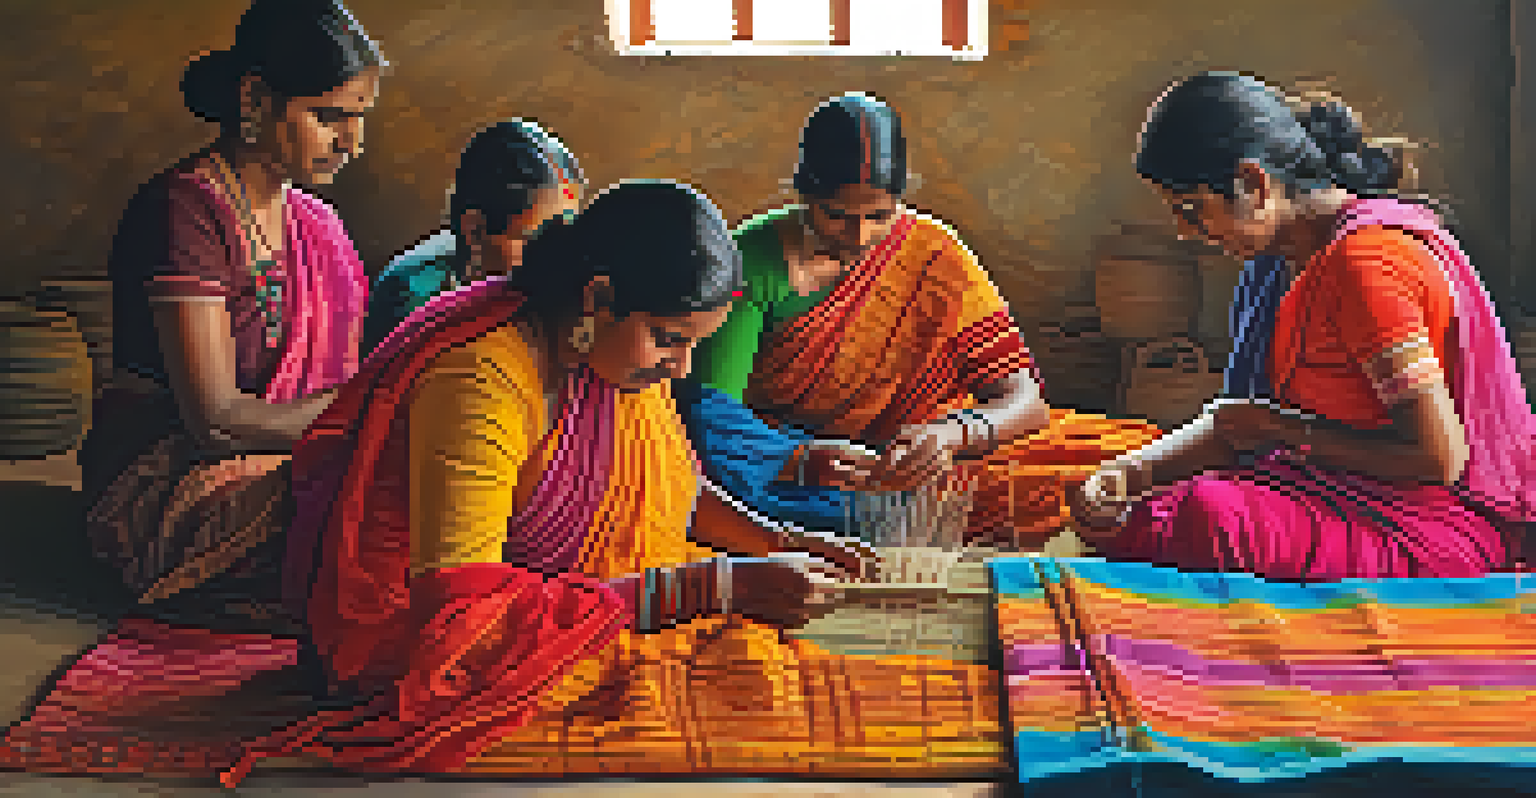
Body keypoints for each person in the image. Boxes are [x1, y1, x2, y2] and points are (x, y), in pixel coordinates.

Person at [214, 180, 1006, 784]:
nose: (682, 368)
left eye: (693, 345)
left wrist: (782, 540)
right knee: (734, 693)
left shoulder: (607, 353)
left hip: (565, 593)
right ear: (597, 297)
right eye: (669, 341)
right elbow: (460, 608)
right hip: (422, 642)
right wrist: (713, 589)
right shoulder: (482, 379)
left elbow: (673, 488)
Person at [1070, 71, 1536, 580]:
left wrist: (1284, 430)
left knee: (1210, 517)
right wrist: (1130, 472)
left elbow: (1437, 460)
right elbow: (1242, 424)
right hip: (1332, 487)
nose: (1186, 233)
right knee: (1144, 500)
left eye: (1192, 210)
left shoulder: (1367, 267)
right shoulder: (1278, 265)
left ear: (1253, 183)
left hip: (1434, 523)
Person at [678, 92, 1164, 549]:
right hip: (795, 463)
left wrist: (950, 436)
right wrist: (802, 459)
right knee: (710, 480)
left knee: (1128, 460)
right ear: (803, 193)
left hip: (931, 452)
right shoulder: (751, 259)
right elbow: (712, 417)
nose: (859, 235)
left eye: (879, 216)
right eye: (835, 215)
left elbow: (1024, 402)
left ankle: (896, 514)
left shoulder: (933, 254)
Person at [80, 0, 384, 630]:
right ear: (254, 98)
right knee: (365, 522)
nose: (351, 143)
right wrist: (363, 418)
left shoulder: (318, 226)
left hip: (287, 454)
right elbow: (214, 422)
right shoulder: (187, 213)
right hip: (168, 474)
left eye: (357, 119)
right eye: (327, 117)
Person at [362, 118, 584, 353]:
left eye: (563, 239)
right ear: (475, 230)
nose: (555, 260)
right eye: (532, 240)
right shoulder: (415, 300)